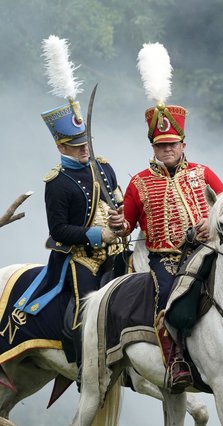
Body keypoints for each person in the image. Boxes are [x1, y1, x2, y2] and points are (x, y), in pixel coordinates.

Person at [107, 42, 223, 392]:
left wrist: (214, 223)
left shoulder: (205, 173)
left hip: (209, 251)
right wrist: (116, 226)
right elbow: (125, 226)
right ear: (153, 148)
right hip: (166, 259)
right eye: (161, 145)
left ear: (183, 144)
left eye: (172, 143)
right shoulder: (138, 183)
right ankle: (176, 361)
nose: (168, 149)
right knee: (170, 300)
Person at [13, 36, 126, 387]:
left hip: (117, 250)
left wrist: (120, 217)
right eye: (76, 145)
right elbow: (59, 230)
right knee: (84, 311)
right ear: (61, 144)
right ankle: (83, 369)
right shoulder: (57, 182)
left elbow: (116, 199)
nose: (83, 149)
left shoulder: (104, 166)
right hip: (79, 256)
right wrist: (98, 234)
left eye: (86, 143)